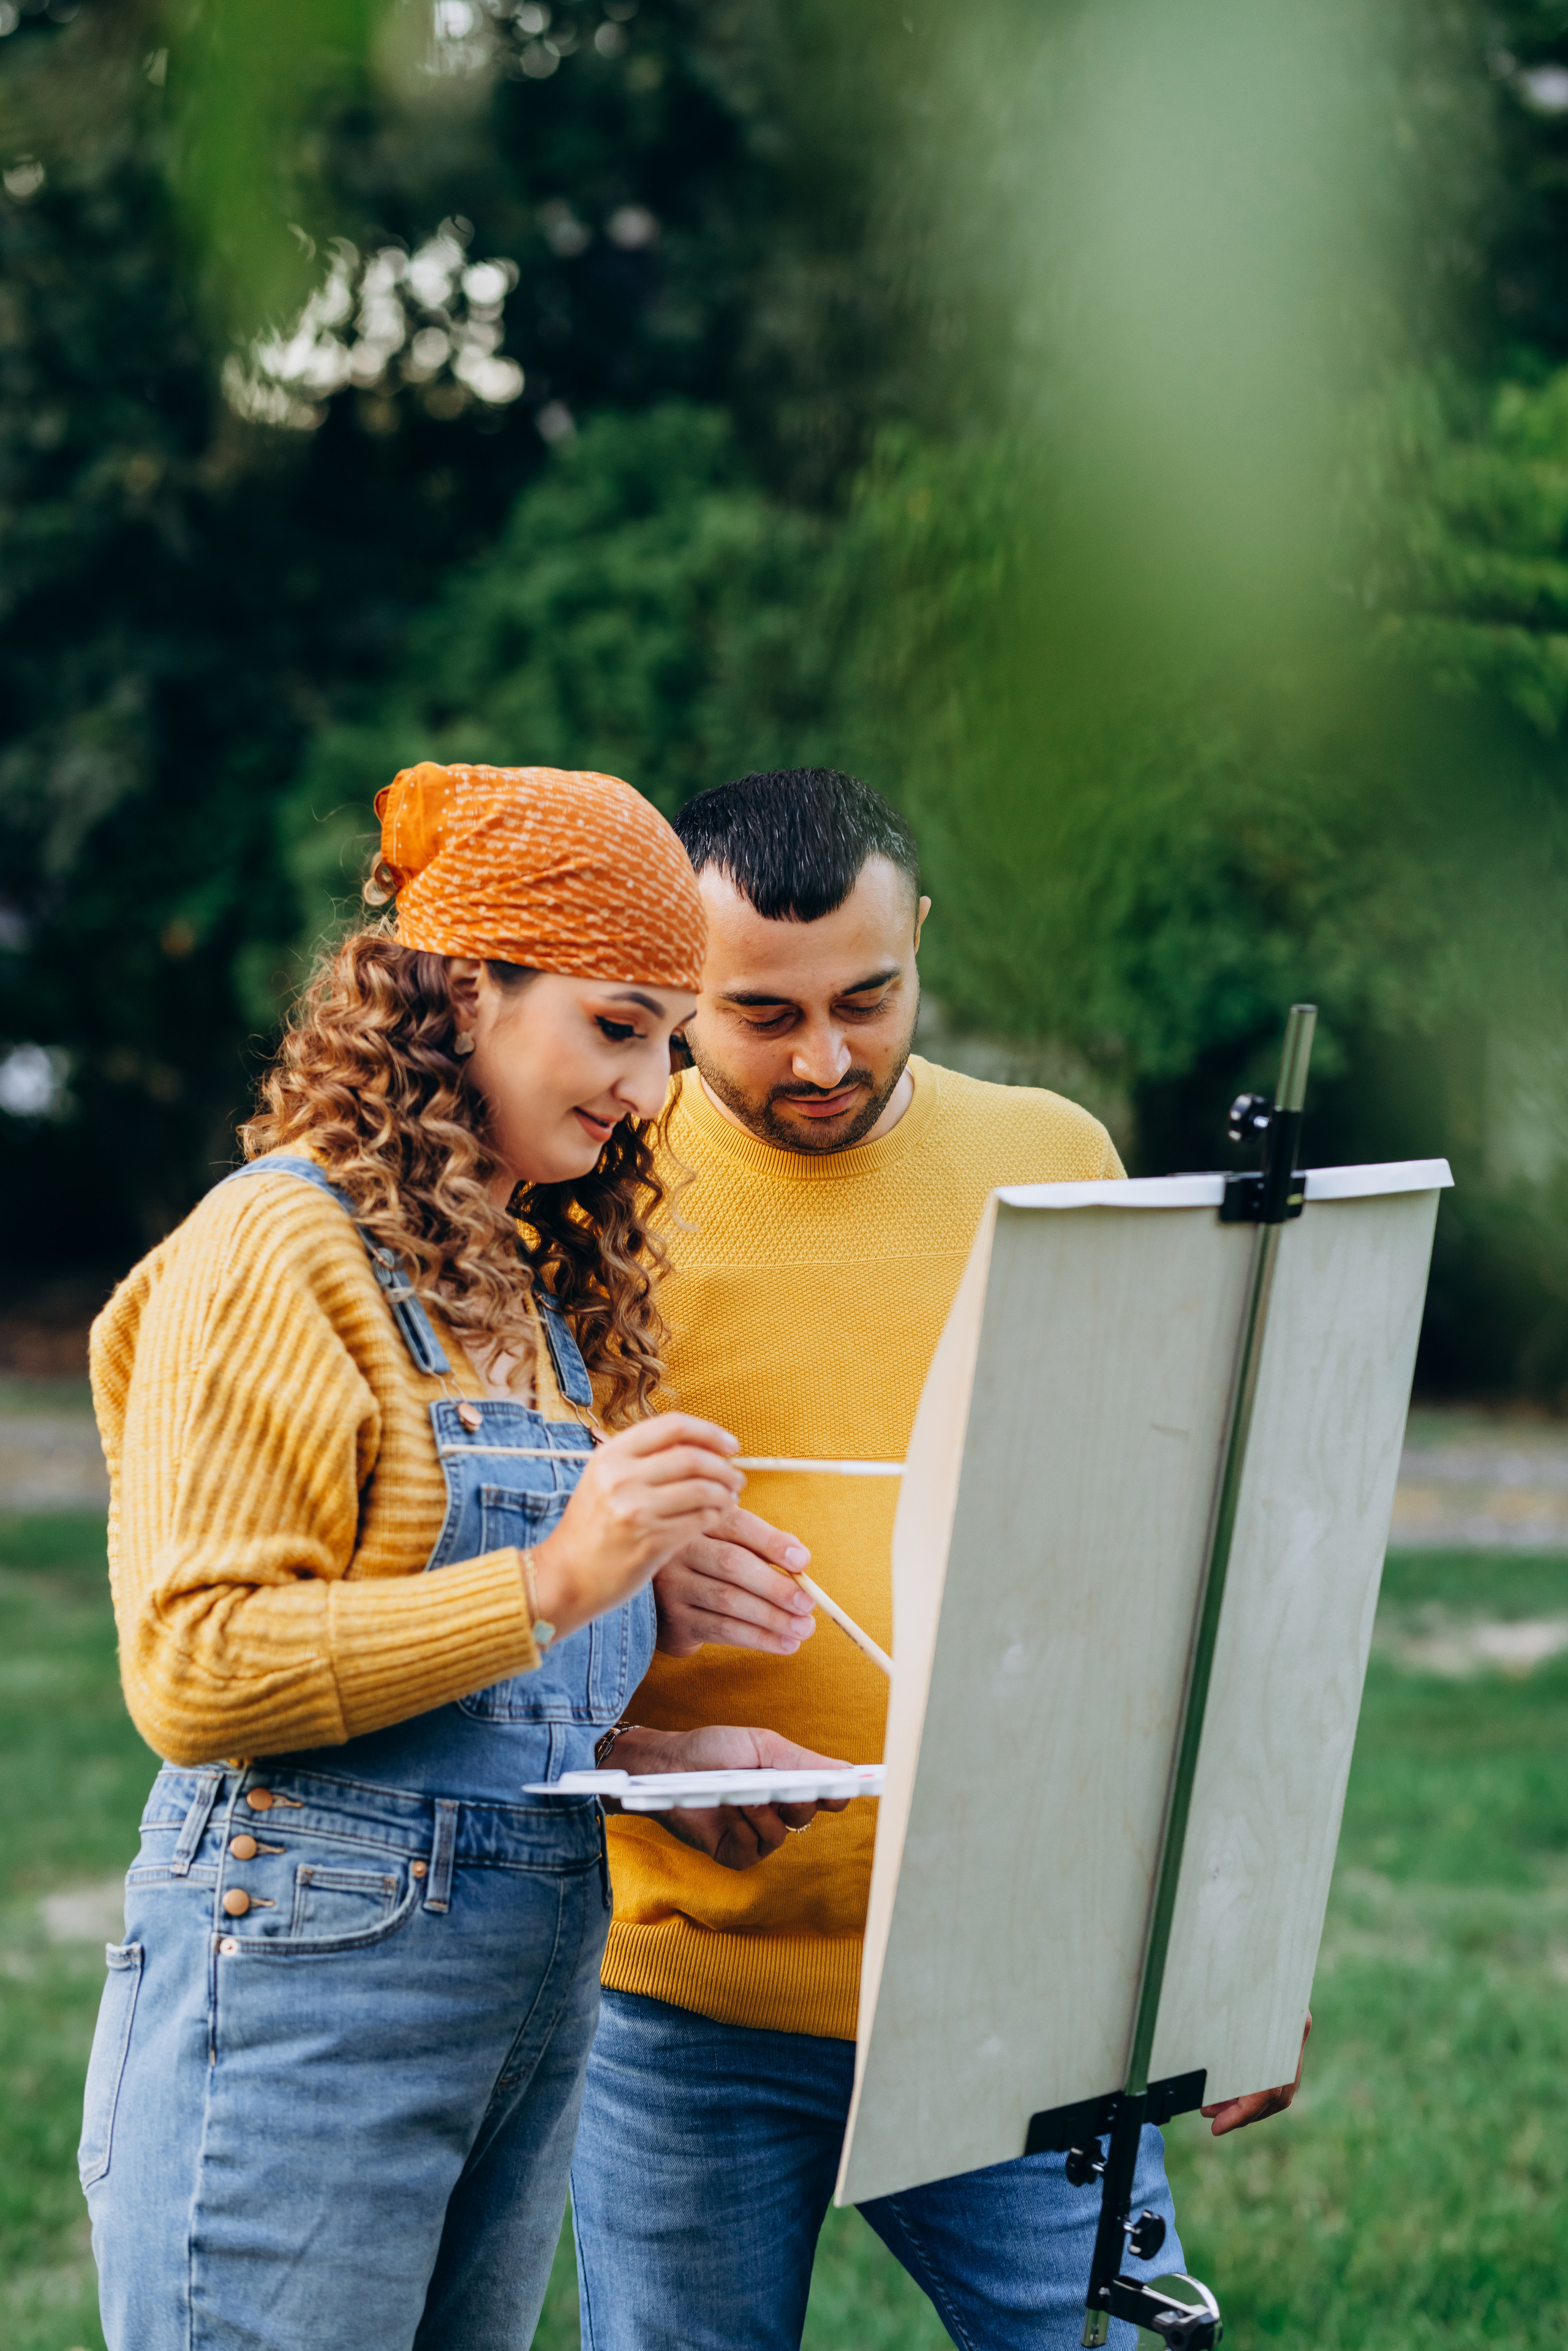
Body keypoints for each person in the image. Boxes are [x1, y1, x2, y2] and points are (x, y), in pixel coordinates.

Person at [78, 760, 842, 2351]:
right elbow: (201, 1666)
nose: (649, 1091)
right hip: (305, 1987)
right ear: (462, 985)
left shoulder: (527, 1293)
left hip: (524, 2000)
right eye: (615, 1025)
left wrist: (660, 1752)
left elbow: (483, 1698)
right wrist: (568, 1574)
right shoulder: (276, 1250)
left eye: (668, 1042)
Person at [570, 767, 1308, 2351]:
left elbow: (1163, 1564)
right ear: (667, 985)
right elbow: (500, 1584)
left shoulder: (1052, 1152)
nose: (826, 1057)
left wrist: (1228, 1950)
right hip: (685, 2000)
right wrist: (638, 1696)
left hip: (1017, 1989)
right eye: (759, 1014)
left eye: (869, 997)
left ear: (923, 941)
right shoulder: (587, 1190)